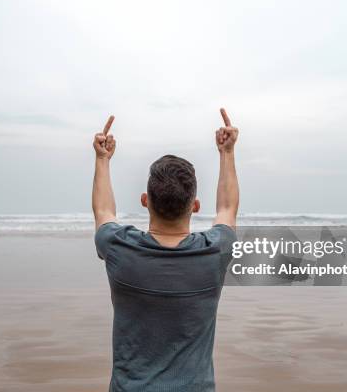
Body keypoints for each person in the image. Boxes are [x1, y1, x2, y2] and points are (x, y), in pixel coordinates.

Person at [92, 108, 239, 392]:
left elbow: (103, 211)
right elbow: (227, 208)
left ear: (145, 200)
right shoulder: (215, 252)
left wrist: (102, 159)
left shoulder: (118, 247)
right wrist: (227, 153)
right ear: (194, 206)